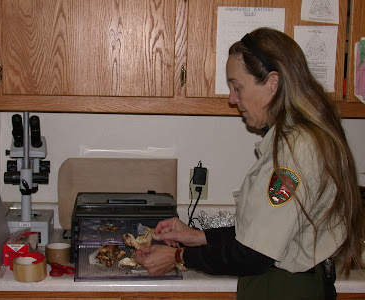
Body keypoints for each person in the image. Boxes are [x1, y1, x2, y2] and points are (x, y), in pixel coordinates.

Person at [135, 27, 365, 299]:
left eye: (237, 86)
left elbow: (254, 255)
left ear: (272, 83)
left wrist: (178, 256)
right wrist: (198, 236)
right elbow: (266, 233)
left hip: (283, 288)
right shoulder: (301, 138)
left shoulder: (293, 151)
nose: (232, 99)